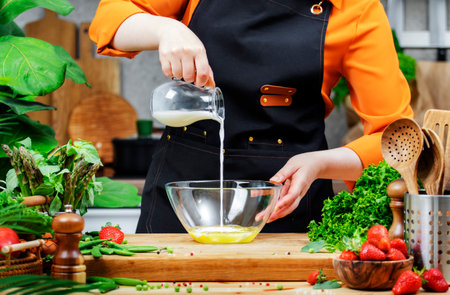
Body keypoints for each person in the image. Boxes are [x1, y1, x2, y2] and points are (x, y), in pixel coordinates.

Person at [90, 0, 413, 233]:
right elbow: (110, 19)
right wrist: (165, 29)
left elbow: (400, 142)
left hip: (286, 209)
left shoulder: (356, 9)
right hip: (181, 202)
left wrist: (319, 164)